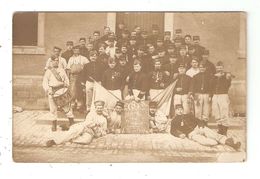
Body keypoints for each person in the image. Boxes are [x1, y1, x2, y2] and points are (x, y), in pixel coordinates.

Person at [170, 104, 241, 150]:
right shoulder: (174, 121)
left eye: (181, 109)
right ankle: (218, 141)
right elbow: (172, 131)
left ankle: (230, 142)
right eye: (178, 110)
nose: (180, 111)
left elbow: (199, 121)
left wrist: (201, 127)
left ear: (183, 109)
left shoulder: (188, 115)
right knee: (205, 142)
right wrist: (179, 134)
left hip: (198, 128)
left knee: (211, 133)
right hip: (191, 134)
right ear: (175, 111)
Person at [42, 56, 74, 131]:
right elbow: (45, 82)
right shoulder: (48, 71)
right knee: (53, 109)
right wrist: (48, 90)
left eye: (57, 61)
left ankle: (71, 122)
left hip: (62, 91)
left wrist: (66, 86)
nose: (56, 62)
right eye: (54, 61)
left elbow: (66, 80)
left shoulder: (62, 70)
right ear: (51, 62)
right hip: (52, 91)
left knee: (67, 107)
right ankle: (54, 124)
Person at [211, 61, 233, 136]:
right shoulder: (214, 75)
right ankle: (220, 129)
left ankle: (224, 131)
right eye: (218, 67)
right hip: (215, 95)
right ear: (216, 68)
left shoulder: (226, 75)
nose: (219, 69)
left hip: (223, 95)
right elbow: (211, 85)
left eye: (221, 67)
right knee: (216, 113)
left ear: (223, 68)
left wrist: (227, 75)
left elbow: (230, 78)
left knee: (224, 112)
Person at [66, 45, 89, 110]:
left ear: (79, 50)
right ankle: (72, 103)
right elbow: (68, 69)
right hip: (73, 76)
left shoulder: (83, 58)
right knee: (72, 90)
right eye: (75, 50)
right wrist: (68, 77)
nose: (76, 51)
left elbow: (88, 66)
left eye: (77, 49)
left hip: (81, 76)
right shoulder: (71, 59)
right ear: (73, 51)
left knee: (80, 91)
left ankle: (80, 104)